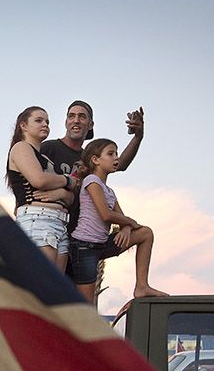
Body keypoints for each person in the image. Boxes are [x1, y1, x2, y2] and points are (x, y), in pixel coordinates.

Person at [40, 100, 145, 293]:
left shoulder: (90, 158)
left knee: (80, 305)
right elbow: (34, 180)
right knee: (49, 296)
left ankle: (141, 285)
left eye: (82, 116)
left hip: (85, 239)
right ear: (65, 122)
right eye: (71, 116)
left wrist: (138, 136)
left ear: (91, 125)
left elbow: (119, 163)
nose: (76, 120)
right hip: (53, 235)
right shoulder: (49, 148)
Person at [70, 138, 168, 303]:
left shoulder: (110, 191)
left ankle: (141, 286)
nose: (116, 157)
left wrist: (127, 228)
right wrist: (129, 221)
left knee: (145, 233)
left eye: (116, 153)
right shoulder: (91, 181)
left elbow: (121, 218)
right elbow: (106, 215)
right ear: (95, 160)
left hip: (101, 245)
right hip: (84, 247)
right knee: (87, 305)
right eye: (110, 154)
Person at [6, 106, 78, 271]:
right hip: (38, 221)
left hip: (58, 224)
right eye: (39, 120)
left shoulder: (45, 158)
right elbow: (39, 180)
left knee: (55, 292)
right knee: (42, 287)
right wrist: (67, 180)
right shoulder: (21, 148)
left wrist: (61, 192)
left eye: (47, 121)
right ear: (23, 125)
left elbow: (70, 197)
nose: (45, 124)